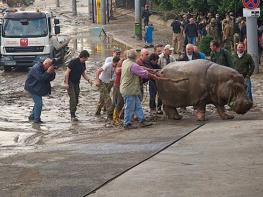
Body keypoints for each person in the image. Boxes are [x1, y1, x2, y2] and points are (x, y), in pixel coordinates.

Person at [120, 49, 157, 129]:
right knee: (129, 107)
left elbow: (139, 68)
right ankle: (127, 124)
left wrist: (148, 70)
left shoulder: (125, 62)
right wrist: (154, 76)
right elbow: (143, 74)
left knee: (138, 106)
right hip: (129, 89)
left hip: (129, 88)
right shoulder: (133, 66)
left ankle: (142, 120)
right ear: (135, 57)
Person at [25, 58, 56, 124]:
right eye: (49, 65)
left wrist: (52, 72)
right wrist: (48, 72)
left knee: (37, 103)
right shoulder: (36, 68)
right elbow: (41, 78)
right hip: (32, 87)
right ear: (45, 64)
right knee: (39, 103)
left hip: (38, 88)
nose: (50, 67)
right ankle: (37, 120)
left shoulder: (46, 68)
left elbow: (51, 78)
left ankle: (32, 116)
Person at [64, 50, 93, 121]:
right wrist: (66, 83)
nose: (86, 60)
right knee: (73, 98)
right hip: (70, 82)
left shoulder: (83, 63)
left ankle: (74, 112)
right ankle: (72, 115)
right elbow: (67, 73)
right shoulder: (73, 62)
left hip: (77, 83)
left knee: (76, 99)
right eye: (86, 58)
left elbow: (83, 73)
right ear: (83, 57)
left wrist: (89, 80)